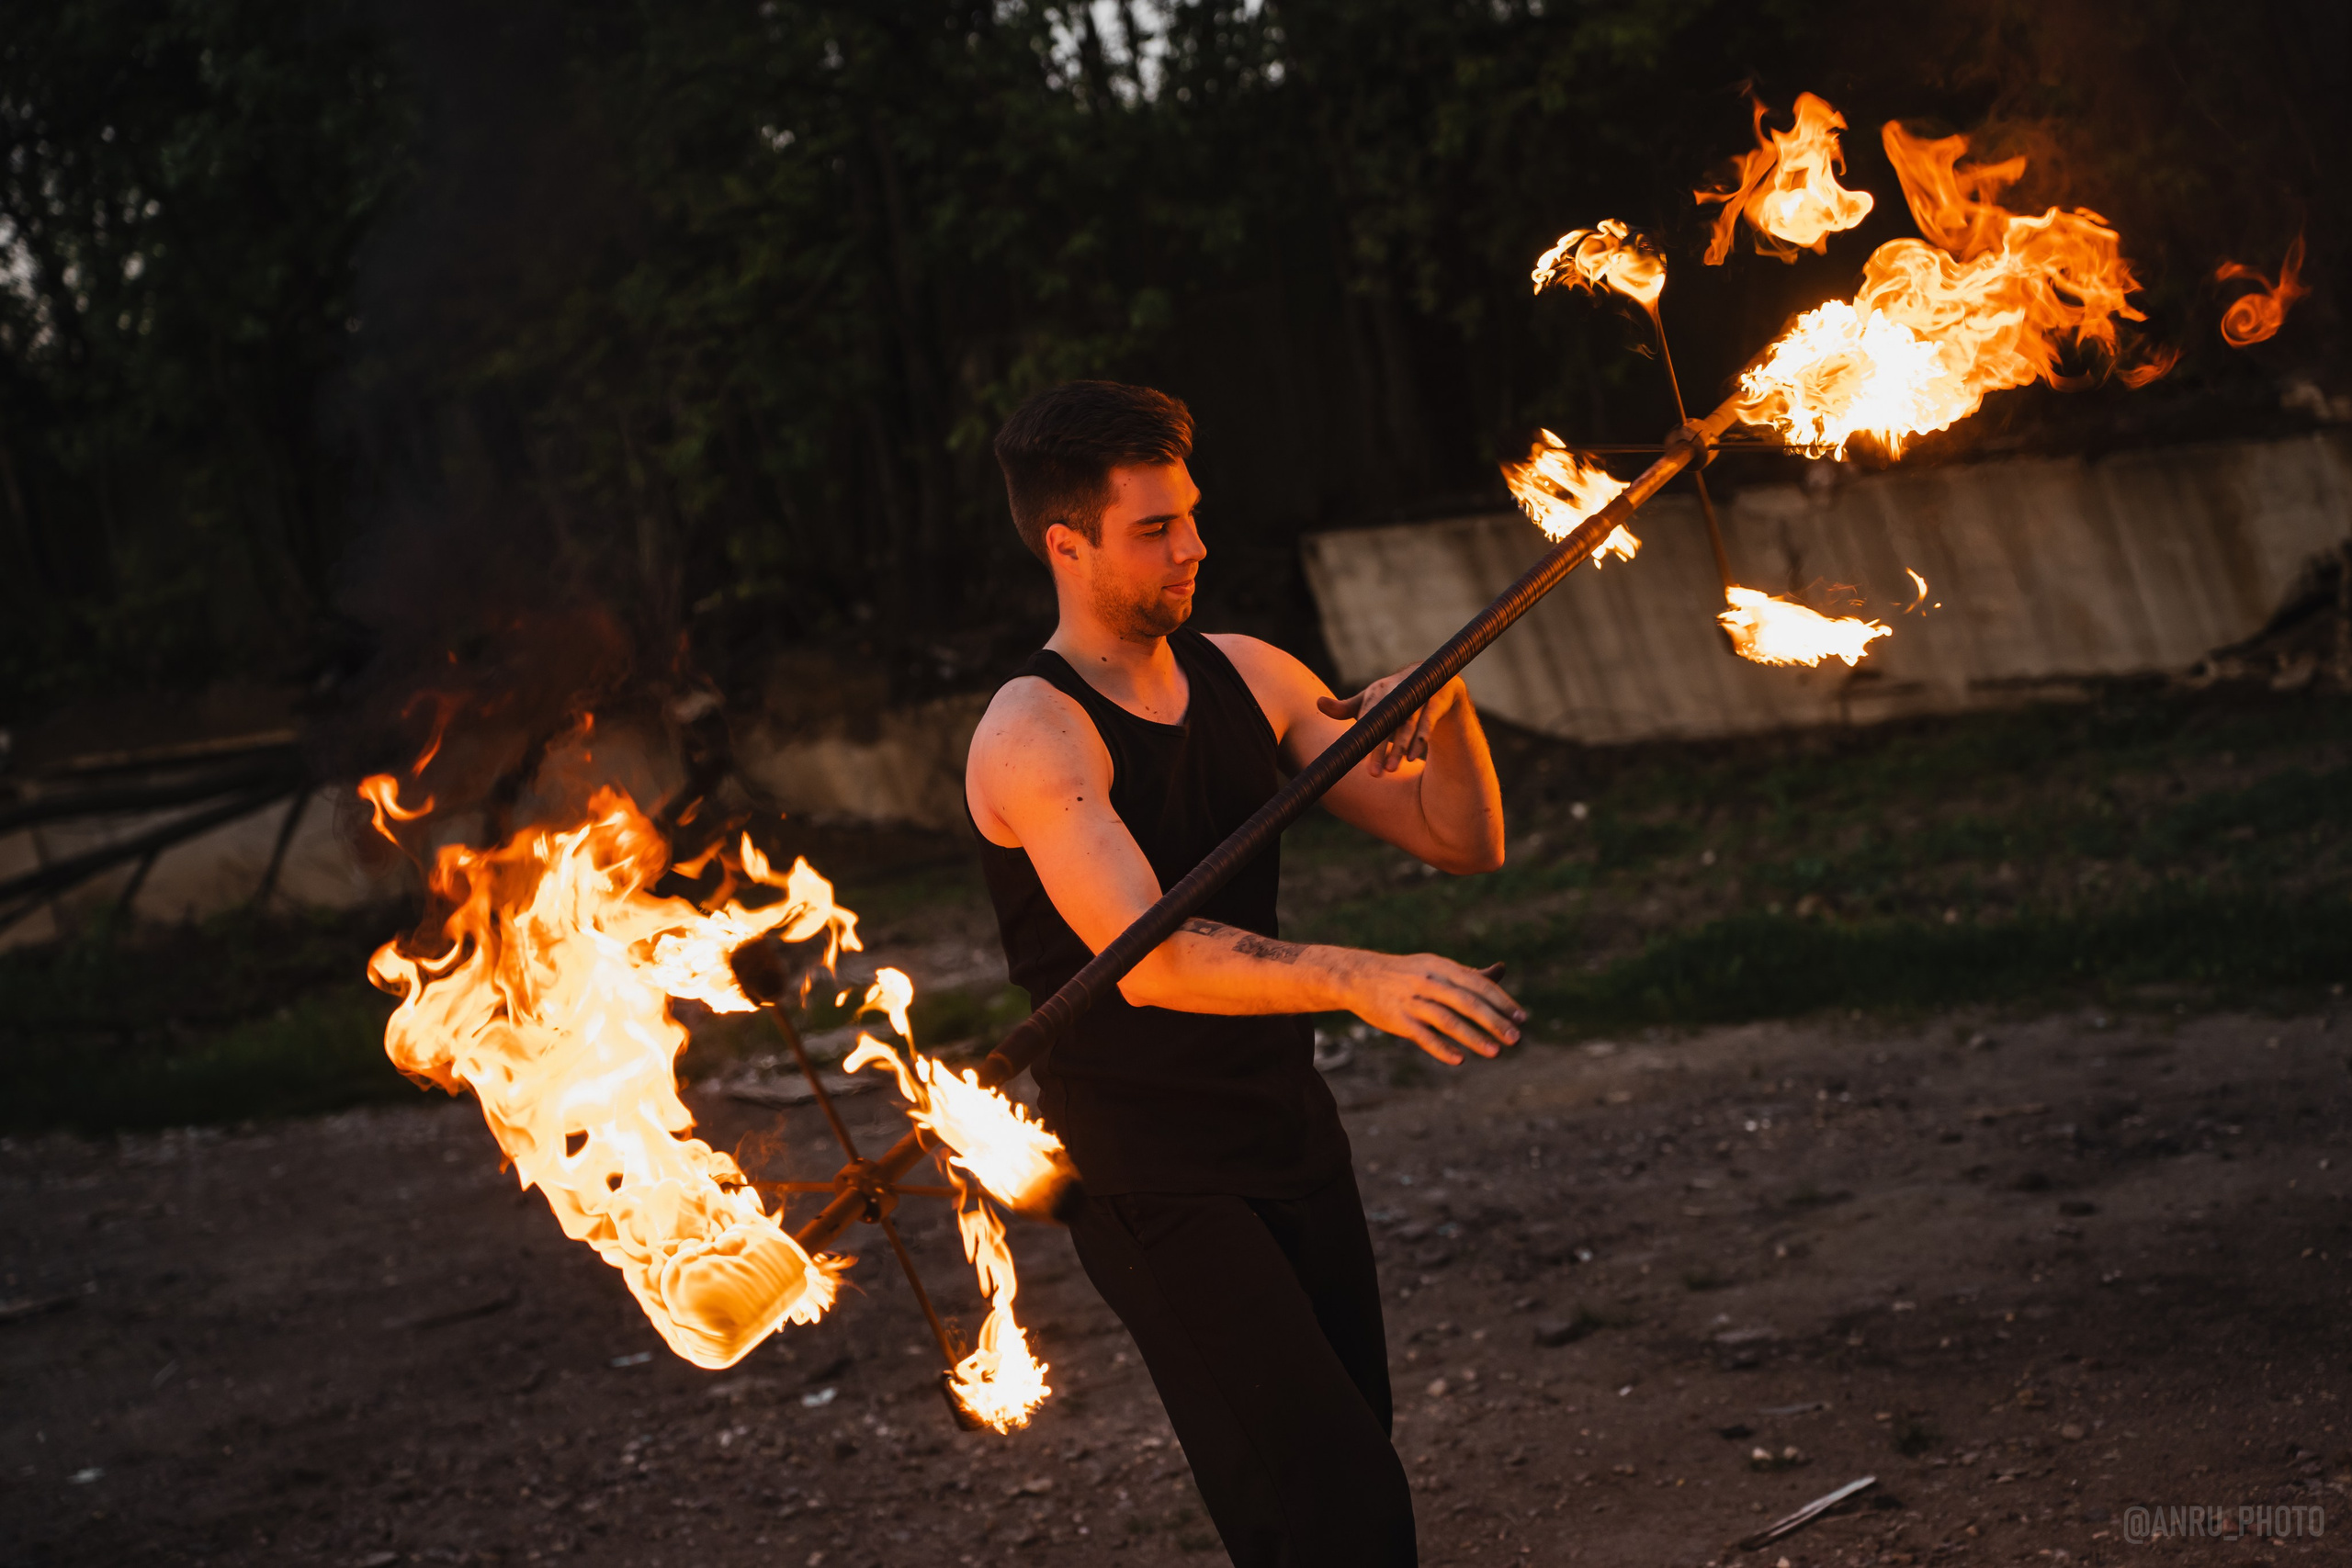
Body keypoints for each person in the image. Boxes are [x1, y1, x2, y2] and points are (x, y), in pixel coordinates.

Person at [964, 379, 1524, 1567]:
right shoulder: (1033, 734)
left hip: (1287, 1128)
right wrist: (1360, 979)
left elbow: (1459, 840)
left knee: (1350, 1465)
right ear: (1067, 546)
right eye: (1155, 529)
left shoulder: (1252, 674)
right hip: (1153, 1170)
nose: (1194, 548)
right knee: (1330, 1504)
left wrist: (1450, 706)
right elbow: (1150, 958)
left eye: (1192, 517)